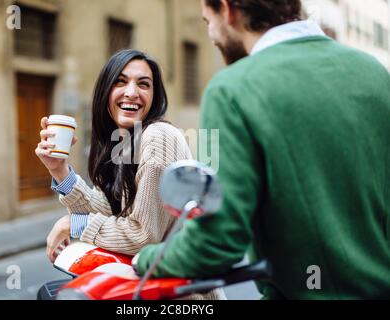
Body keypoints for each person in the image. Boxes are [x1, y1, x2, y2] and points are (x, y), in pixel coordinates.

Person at [133, 0, 390, 299]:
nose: (212, 37)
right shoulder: (374, 72)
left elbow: (216, 242)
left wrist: (145, 260)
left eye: (208, 22)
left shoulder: (232, 89)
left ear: (227, 10)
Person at [35, 49, 225, 300]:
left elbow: (144, 236)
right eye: (120, 81)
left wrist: (74, 224)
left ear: (154, 96)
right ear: (105, 91)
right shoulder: (125, 143)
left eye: (143, 84)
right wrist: (59, 170)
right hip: (147, 289)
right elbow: (108, 211)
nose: (132, 92)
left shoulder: (158, 136)